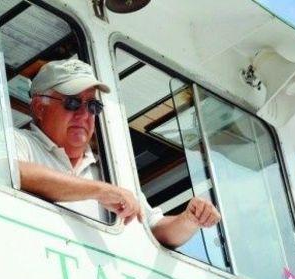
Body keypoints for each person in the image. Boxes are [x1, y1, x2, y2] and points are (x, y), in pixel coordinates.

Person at [15, 59, 221, 248]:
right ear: (39, 108)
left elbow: (154, 228)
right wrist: (99, 190)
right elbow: (17, 172)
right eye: (72, 103)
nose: (84, 114)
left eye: (93, 106)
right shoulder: (14, 140)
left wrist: (190, 219)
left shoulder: (113, 172)